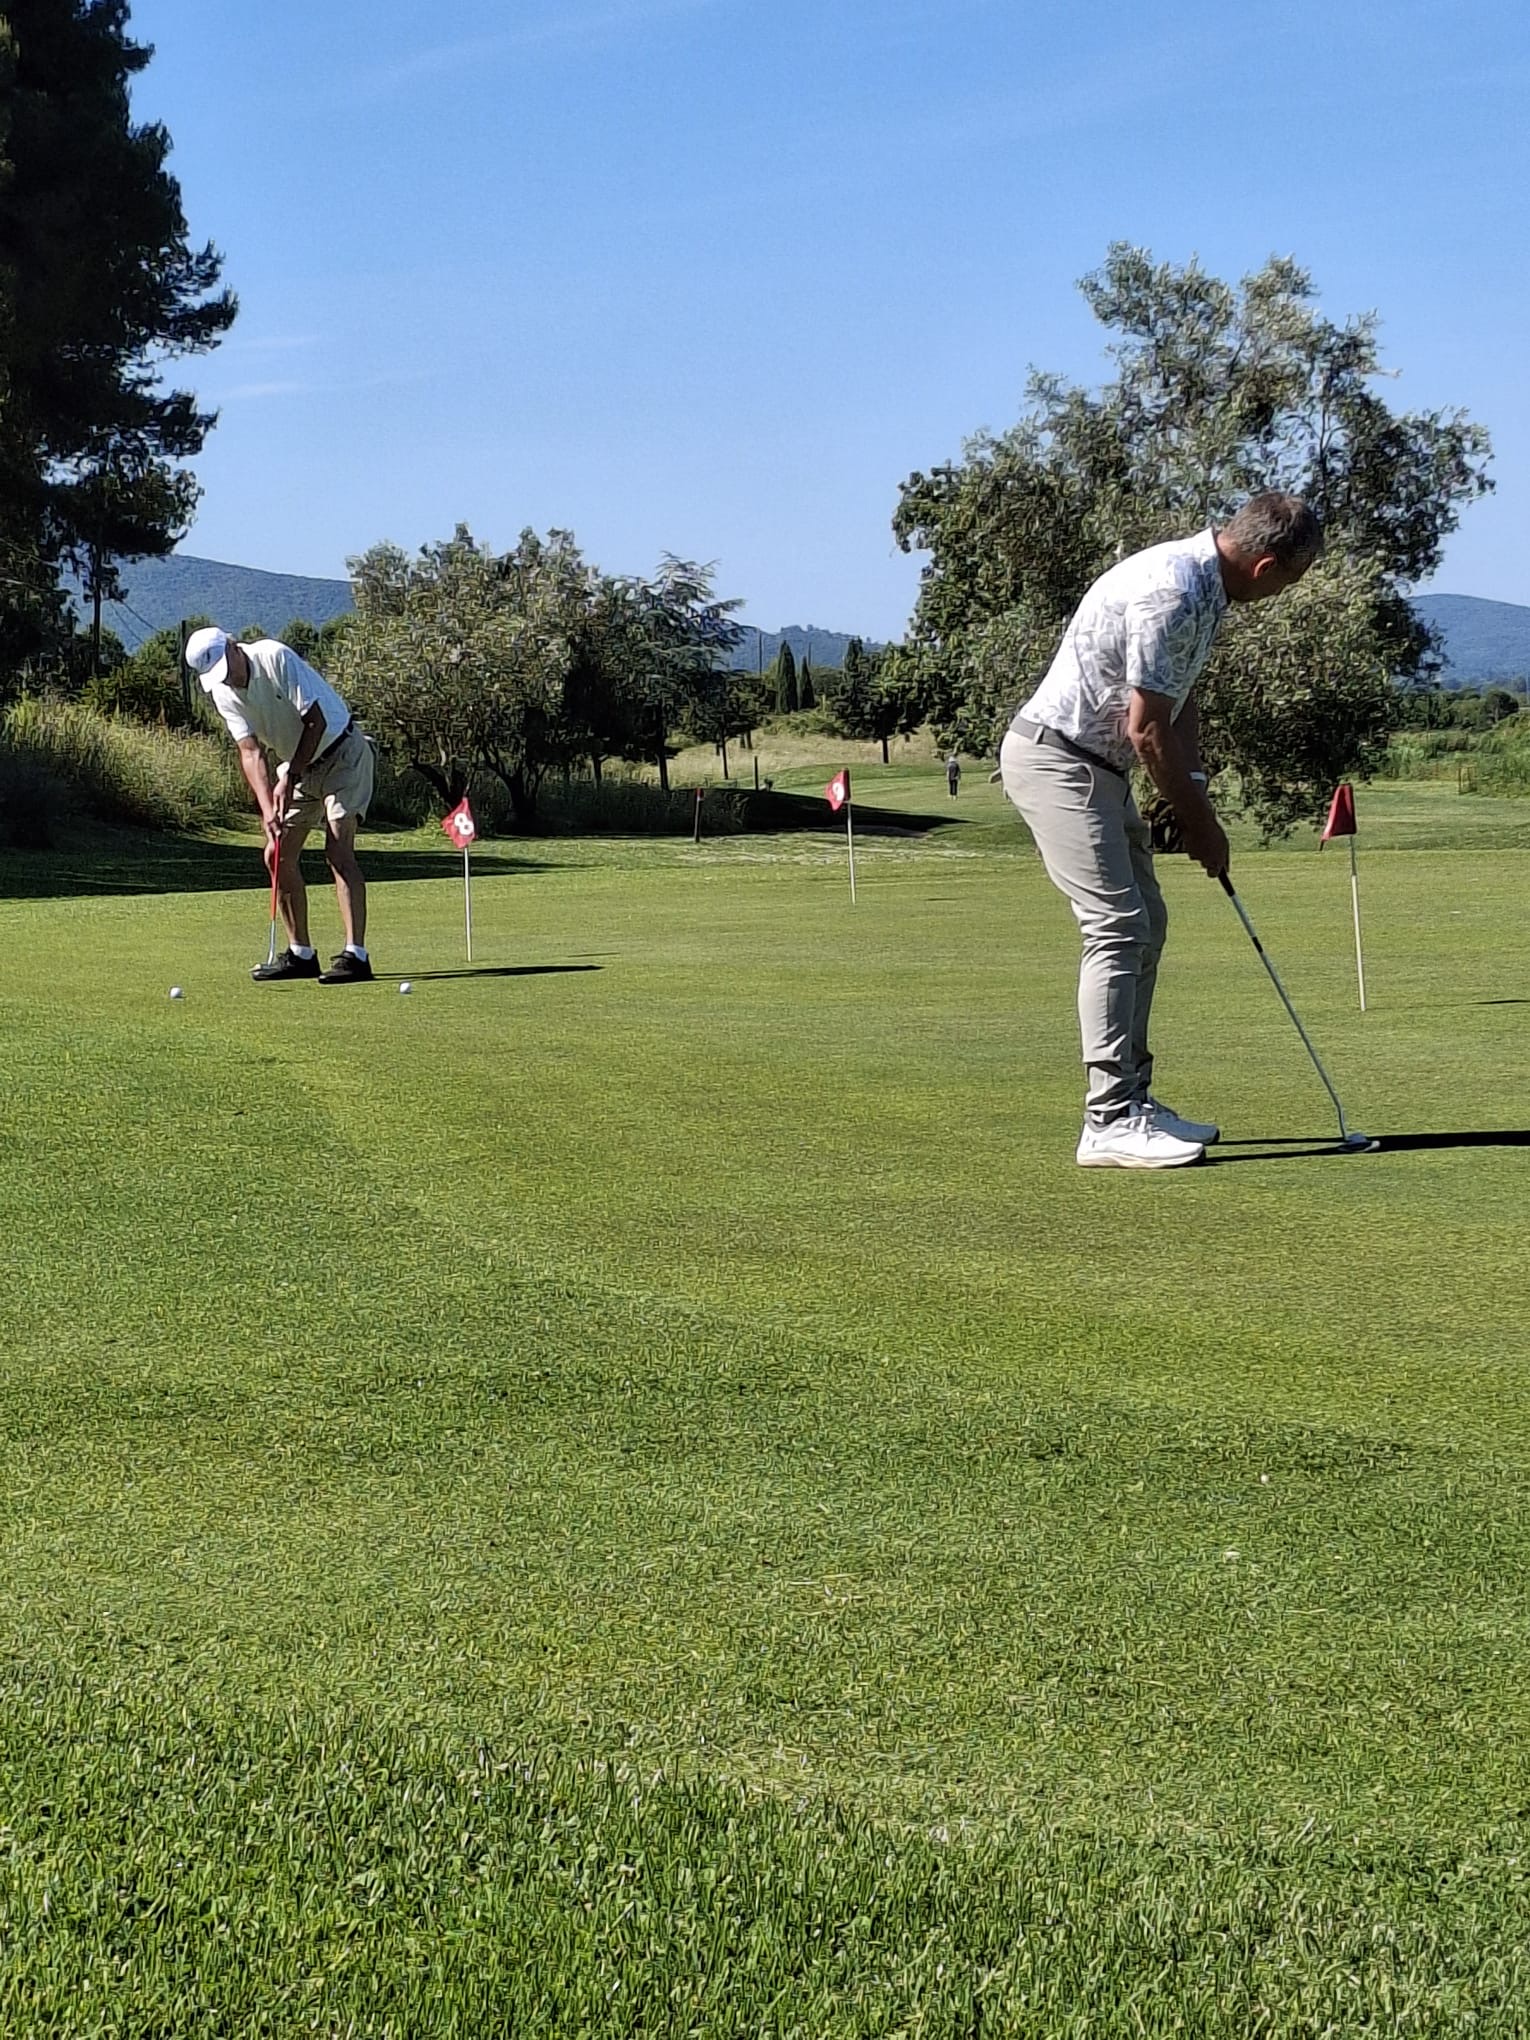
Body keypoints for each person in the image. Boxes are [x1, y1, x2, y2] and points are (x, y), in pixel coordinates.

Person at [999, 492, 1322, 1169]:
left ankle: (1133, 1099)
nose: (1281, 594)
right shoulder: (1173, 590)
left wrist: (1193, 790)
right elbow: (1144, 728)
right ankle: (1109, 1119)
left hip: (1097, 766)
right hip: (1059, 759)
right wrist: (1201, 826)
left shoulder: (1206, 587)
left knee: (1148, 921)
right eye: (1288, 582)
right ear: (1265, 567)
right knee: (1117, 926)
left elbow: (1178, 701)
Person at [185, 626, 376, 984]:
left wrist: (290, 777)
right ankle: (301, 954)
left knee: (338, 850)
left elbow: (315, 722)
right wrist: (267, 809)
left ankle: (356, 956)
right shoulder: (223, 692)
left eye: (226, 668)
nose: (227, 680)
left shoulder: (273, 656)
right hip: (299, 766)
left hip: (343, 752)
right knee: (277, 855)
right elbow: (250, 751)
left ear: (233, 646)